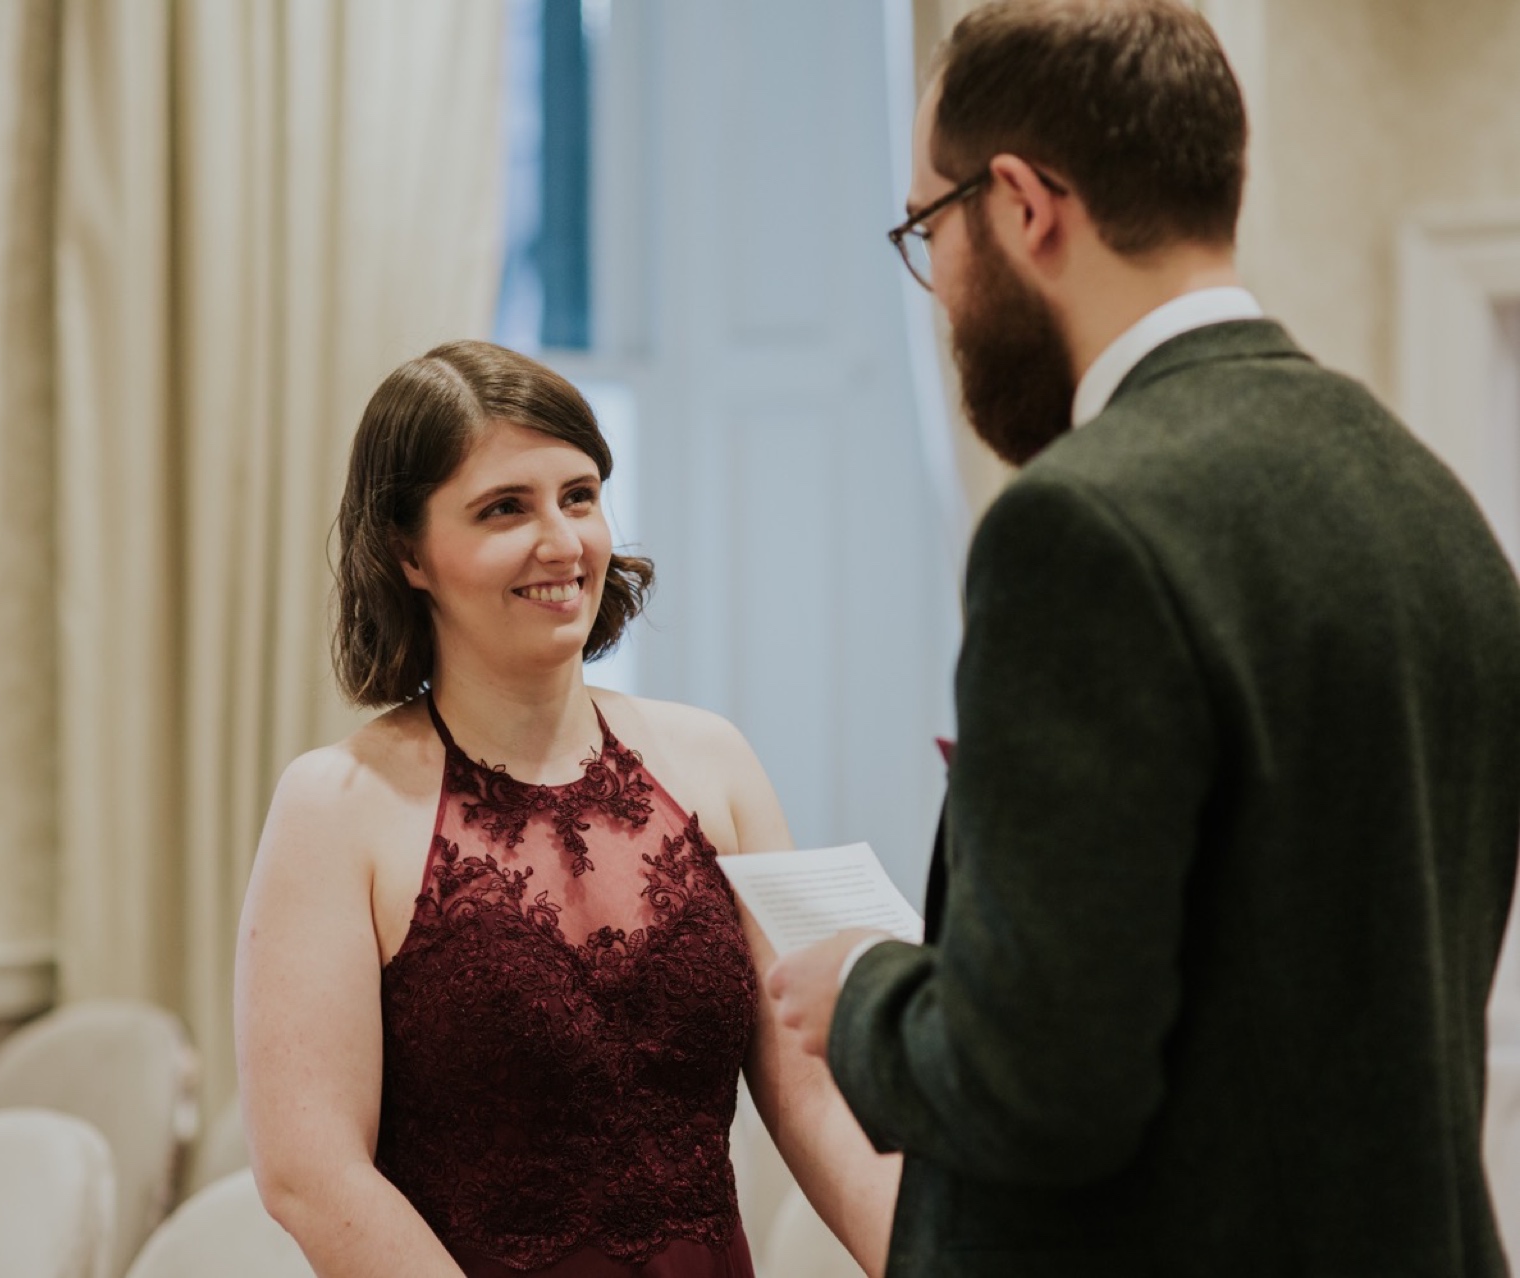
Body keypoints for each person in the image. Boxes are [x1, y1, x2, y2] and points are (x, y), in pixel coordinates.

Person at [767, 1, 1520, 1274]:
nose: (938, 286)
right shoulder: (1429, 498)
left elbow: (1041, 1076)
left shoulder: (1080, 528)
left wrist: (863, 993)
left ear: (1021, 205)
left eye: (924, 229)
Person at [235, 339, 901, 1277]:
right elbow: (312, 1173)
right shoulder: (334, 805)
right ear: (407, 552)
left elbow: (814, 1094)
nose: (563, 541)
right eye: (505, 508)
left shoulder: (714, 760)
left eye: (579, 496)